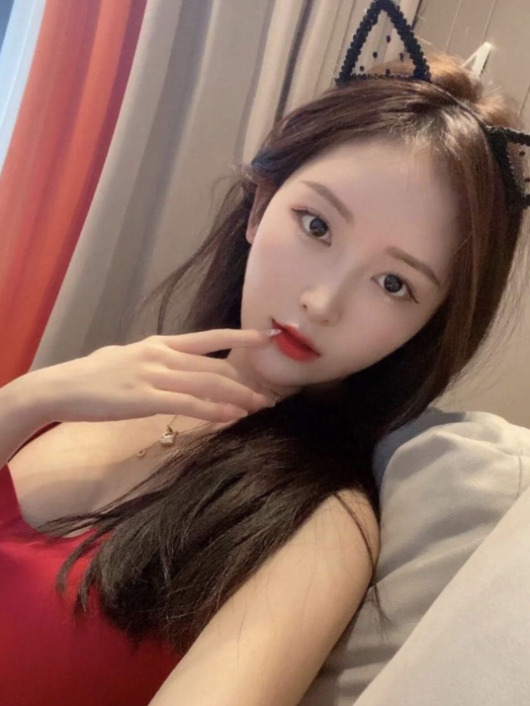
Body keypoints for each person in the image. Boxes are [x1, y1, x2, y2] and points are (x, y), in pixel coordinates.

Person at [1, 15, 529, 705]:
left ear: (429, 326)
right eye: (317, 226)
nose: (322, 301)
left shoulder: (319, 528)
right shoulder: (98, 394)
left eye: (394, 283)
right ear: (259, 208)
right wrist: (29, 399)